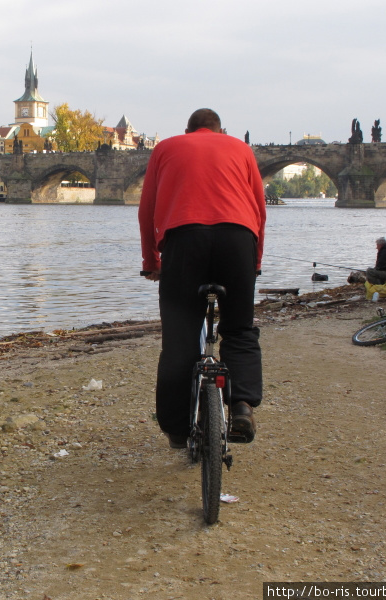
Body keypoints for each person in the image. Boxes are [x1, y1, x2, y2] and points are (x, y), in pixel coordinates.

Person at [138, 108, 266, 449]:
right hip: (238, 239)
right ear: (220, 130)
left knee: (179, 340)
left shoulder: (166, 147)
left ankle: (177, 431)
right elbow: (259, 209)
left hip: (183, 240)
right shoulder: (240, 148)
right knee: (239, 329)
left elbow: (147, 209)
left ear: (187, 130)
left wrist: (152, 261)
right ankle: (241, 405)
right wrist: (254, 262)